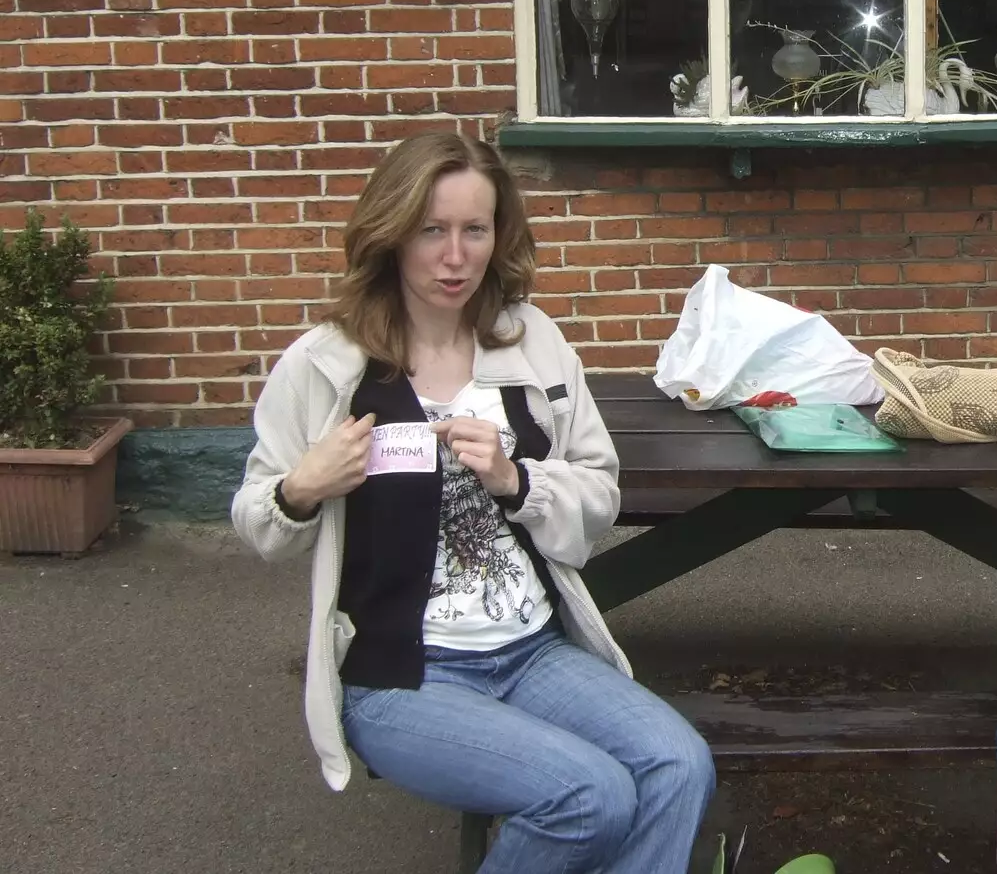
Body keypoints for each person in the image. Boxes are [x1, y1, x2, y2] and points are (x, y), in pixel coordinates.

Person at [232, 132, 714, 874]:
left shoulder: (532, 344)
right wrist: (301, 488)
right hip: (404, 674)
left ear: (499, 234)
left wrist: (518, 481)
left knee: (680, 765)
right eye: (432, 230)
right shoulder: (326, 366)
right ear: (391, 232)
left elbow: (599, 494)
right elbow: (259, 525)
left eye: (474, 230)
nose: (455, 256)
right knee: (588, 797)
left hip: (532, 652)